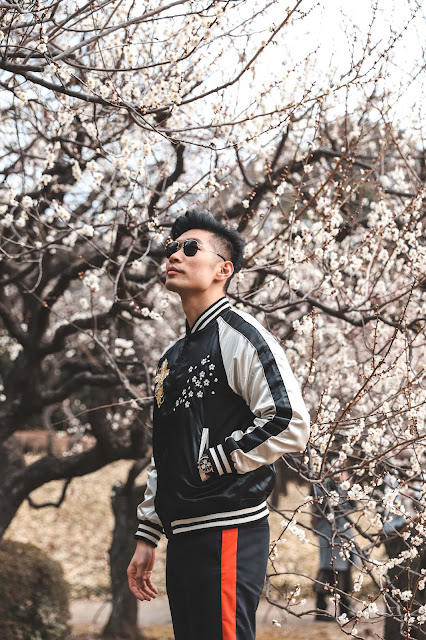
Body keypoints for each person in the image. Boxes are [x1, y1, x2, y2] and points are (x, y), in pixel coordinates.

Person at [127, 210, 310, 640]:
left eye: (190, 248)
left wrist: (214, 462)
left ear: (223, 269)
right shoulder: (170, 357)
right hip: (183, 535)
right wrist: (147, 534)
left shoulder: (242, 336)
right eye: (171, 247)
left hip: (229, 528)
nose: (175, 254)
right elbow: (166, 451)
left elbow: (289, 420)